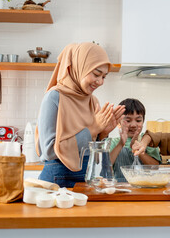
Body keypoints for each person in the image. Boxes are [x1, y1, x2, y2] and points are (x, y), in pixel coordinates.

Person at [35, 42, 125, 188]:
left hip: (86, 179)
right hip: (56, 181)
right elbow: (49, 150)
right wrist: (93, 129)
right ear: (78, 67)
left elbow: (93, 154)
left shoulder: (92, 101)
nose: (100, 81)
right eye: (96, 74)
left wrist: (103, 133)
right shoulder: (54, 97)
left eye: (104, 77)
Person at [109, 98, 161, 181]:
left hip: (144, 189)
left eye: (138, 120)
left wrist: (139, 152)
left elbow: (155, 167)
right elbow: (105, 167)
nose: (133, 125)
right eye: (128, 120)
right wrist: (120, 144)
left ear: (143, 121)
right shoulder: (113, 142)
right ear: (119, 122)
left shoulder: (148, 141)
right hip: (121, 189)